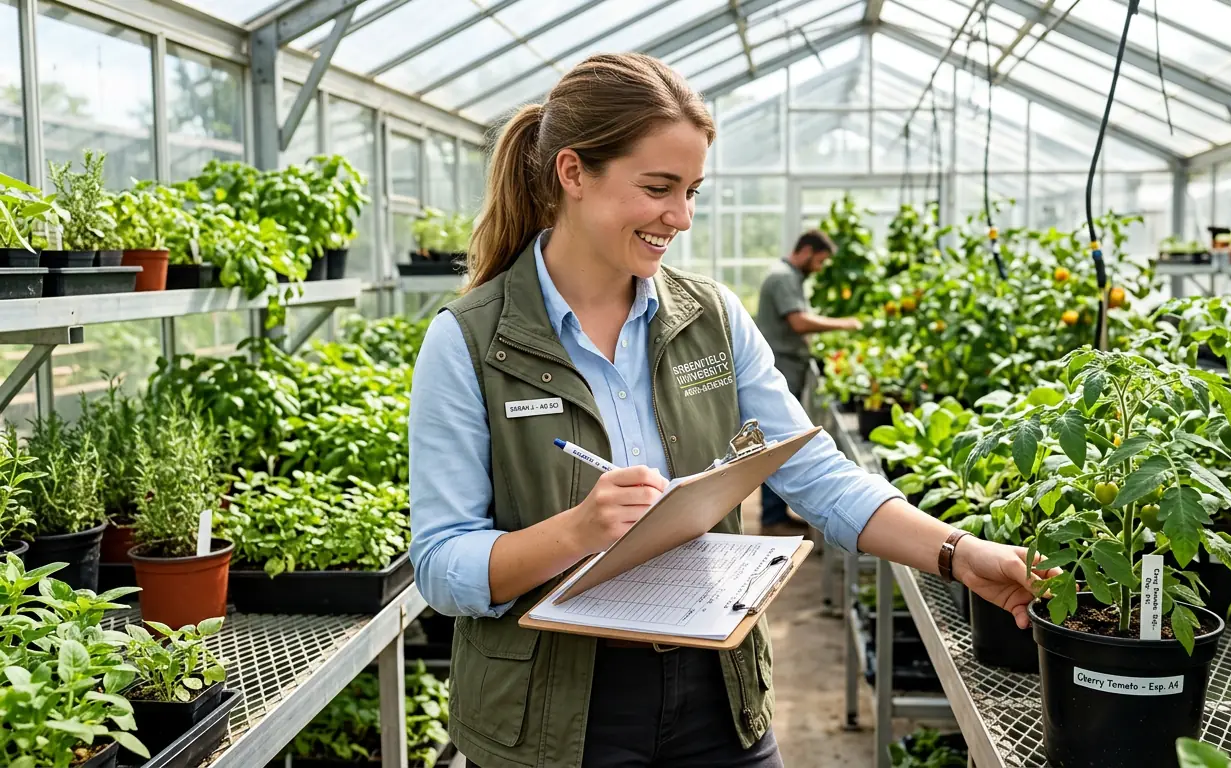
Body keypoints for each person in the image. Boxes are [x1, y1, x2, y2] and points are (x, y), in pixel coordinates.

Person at [408, 52, 1048, 768]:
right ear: (572, 173)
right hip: (549, 715)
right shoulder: (468, 341)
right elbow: (440, 563)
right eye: (658, 187)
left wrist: (959, 554)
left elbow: (816, 474)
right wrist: (579, 530)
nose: (679, 217)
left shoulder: (710, 318)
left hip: (716, 685)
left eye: (692, 192)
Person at [753, 230, 864, 534]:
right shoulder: (783, 278)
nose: (819, 268)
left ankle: (776, 513)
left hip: (789, 366)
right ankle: (772, 518)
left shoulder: (790, 276)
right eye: (818, 261)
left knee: (780, 441)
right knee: (776, 442)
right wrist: (845, 324)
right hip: (781, 368)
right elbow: (799, 322)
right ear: (804, 251)